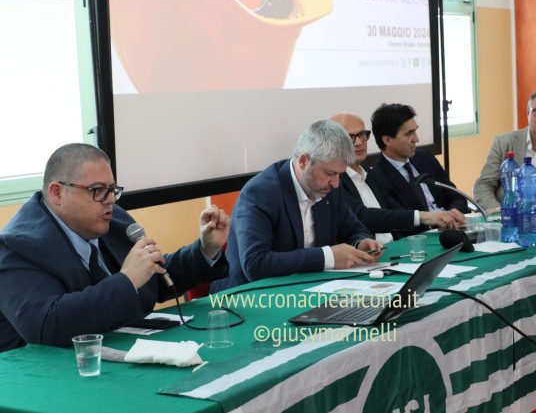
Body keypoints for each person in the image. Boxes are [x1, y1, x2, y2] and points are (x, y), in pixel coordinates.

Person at [0, 143, 229, 352]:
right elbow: (46, 325)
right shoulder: (17, 246)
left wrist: (205, 250)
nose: (110, 200)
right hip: (44, 374)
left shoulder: (113, 219)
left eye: (112, 189)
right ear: (57, 192)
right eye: (97, 190)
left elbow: (154, 280)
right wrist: (127, 279)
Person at [210, 120, 383, 292]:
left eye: (339, 174)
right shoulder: (260, 193)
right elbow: (255, 264)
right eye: (330, 173)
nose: (336, 183)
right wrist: (328, 257)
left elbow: (353, 228)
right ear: (303, 161)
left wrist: (360, 243)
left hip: (308, 288)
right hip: (248, 296)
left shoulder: (330, 188)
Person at [331, 112, 464, 243]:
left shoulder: (369, 174)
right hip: (368, 251)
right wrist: (423, 217)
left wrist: (443, 217)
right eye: (349, 137)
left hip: (396, 246)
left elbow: (394, 211)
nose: (359, 142)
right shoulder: (334, 180)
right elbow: (363, 216)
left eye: (362, 134)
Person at [366, 103, 469, 224]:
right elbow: (400, 221)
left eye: (415, 131)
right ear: (387, 140)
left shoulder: (424, 157)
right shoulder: (378, 177)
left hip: (453, 226)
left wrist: (455, 212)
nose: (416, 139)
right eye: (408, 134)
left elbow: (456, 195)